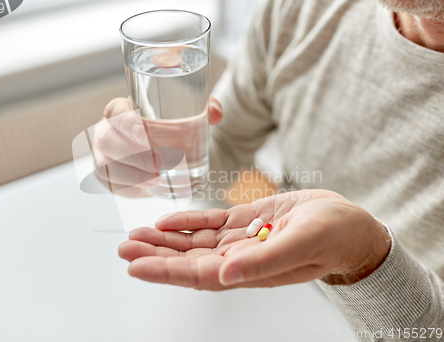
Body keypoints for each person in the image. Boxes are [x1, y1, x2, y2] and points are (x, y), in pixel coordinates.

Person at [95, 0, 444, 340]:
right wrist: (157, 157)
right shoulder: (299, 10)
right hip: (285, 303)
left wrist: (364, 257)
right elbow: (225, 155)